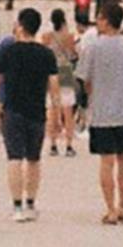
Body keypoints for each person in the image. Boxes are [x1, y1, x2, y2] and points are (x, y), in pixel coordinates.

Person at [79, 0, 123, 221]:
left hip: (102, 111)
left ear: (106, 21)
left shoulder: (92, 47)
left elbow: (84, 79)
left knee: (106, 161)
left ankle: (110, 209)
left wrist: (91, 95)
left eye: (99, 18)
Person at [0, 9, 58, 218]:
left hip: (12, 109)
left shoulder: (7, 52)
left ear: (20, 26)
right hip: (37, 111)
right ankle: (31, 203)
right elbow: (54, 86)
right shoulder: (47, 54)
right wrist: (56, 113)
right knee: (33, 159)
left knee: (14, 158)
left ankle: (17, 206)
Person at [46, 9, 80, 158]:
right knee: (68, 110)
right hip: (65, 71)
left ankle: (53, 144)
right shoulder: (69, 37)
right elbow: (73, 55)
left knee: (53, 109)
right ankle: (69, 144)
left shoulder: (46, 37)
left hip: (51, 72)